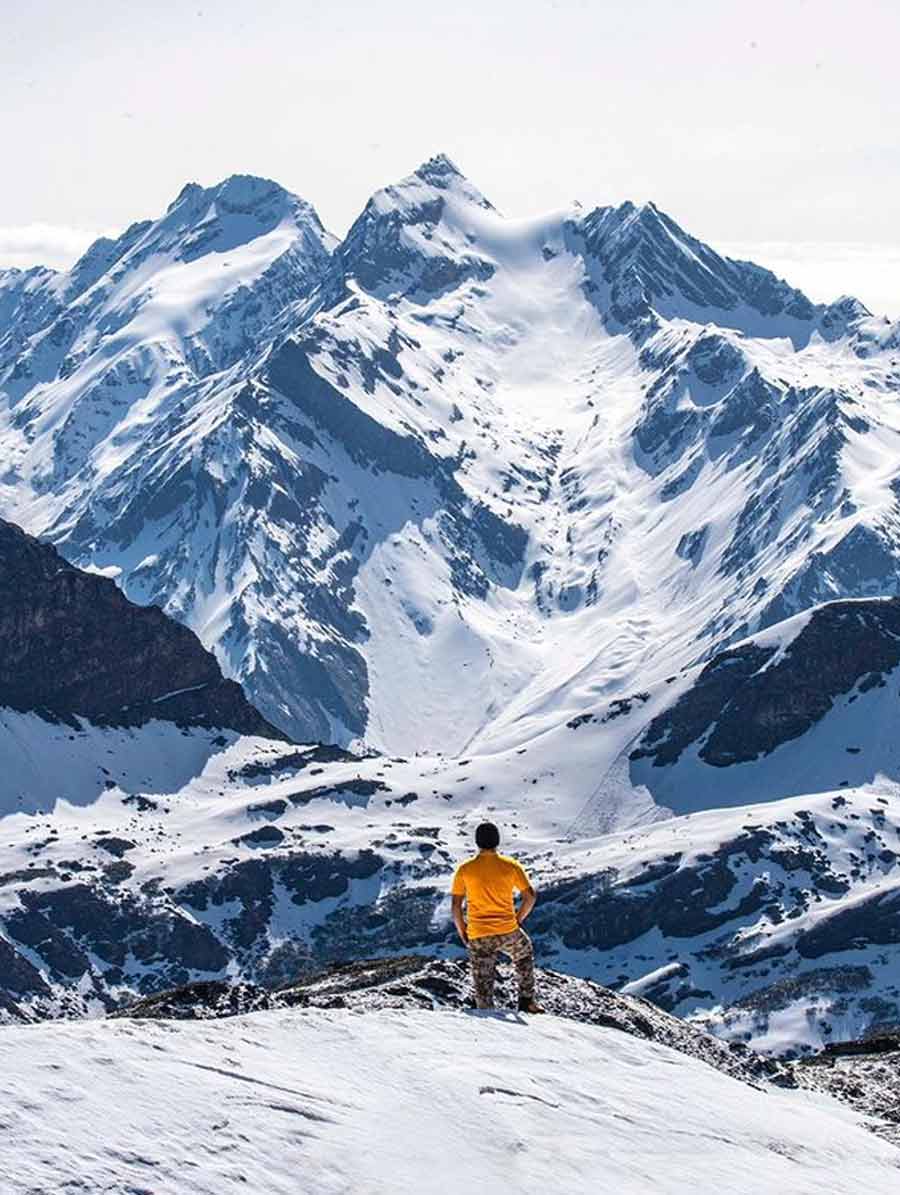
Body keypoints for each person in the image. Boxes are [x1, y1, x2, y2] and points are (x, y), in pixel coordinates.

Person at [450, 821, 544, 1013]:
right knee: (524, 954)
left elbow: (455, 906)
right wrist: (518, 919)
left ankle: (486, 1010)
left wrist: (463, 931)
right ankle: (527, 1001)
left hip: (478, 933)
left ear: (477, 842)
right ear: (497, 841)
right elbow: (530, 897)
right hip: (508, 930)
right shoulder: (511, 866)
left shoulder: (465, 869)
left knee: (482, 981)